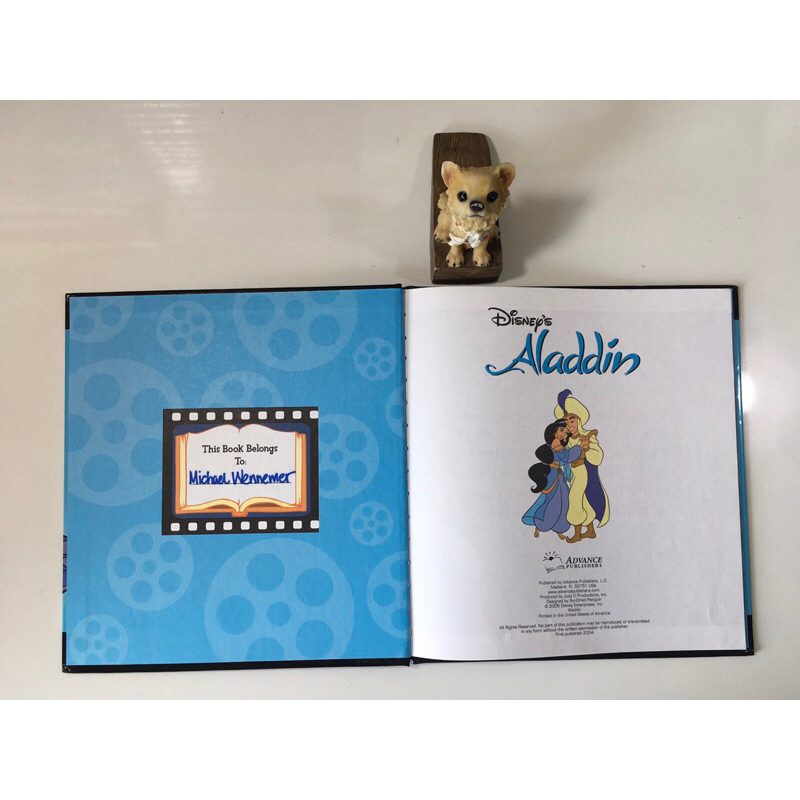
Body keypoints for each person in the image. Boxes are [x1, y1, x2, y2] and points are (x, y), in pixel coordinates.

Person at [554, 390, 610, 543]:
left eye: (572, 420)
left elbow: (598, 457)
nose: (569, 425)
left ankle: (577, 534)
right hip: (573, 474)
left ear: (578, 421)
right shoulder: (565, 440)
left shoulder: (587, 436)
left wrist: (587, 448)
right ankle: (590, 530)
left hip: (584, 472)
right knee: (584, 500)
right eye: (566, 422)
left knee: (574, 499)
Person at [522, 420, 583, 539]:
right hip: (552, 476)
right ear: (554, 431)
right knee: (551, 502)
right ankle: (540, 526)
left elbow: (564, 458)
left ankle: (559, 529)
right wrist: (579, 448)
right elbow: (566, 457)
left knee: (563, 503)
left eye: (566, 433)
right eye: (561, 430)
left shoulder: (559, 445)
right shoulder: (555, 443)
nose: (563, 434)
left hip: (559, 477)